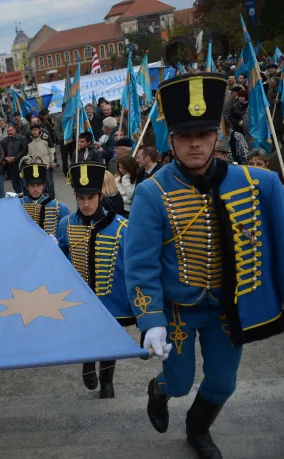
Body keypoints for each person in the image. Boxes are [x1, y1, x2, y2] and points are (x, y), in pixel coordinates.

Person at [125, 72, 284, 458]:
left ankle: (197, 430)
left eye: (204, 133)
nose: (194, 144)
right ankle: (159, 390)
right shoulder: (151, 192)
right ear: (171, 139)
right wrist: (150, 320)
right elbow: (140, 264)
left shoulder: (258, 184)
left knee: (223, 382)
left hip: (226, 309)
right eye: (184, 136)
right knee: (180, 384)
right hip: (178, 311)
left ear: (218, 135)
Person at [57, 162, 134, 399]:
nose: (86, 204)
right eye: (80, 198)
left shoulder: (122, 227)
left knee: (109, 336)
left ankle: (107, 379)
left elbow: (132, 265)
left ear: (101, 195)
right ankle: (87, 363)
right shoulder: (66, 224)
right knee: (85, 333)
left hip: (110, 298)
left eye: (90, 197)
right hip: (78, 297)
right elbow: (60, 256)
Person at [19, 158, 69, 236]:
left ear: (44, 186)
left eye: (38, 185)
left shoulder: (59, 207)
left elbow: (65, 232)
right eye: (32, 186)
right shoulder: (19, 204)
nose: (35, 189)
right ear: (27, 186)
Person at [27, 123, 57, 197]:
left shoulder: (45, 137)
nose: (34, 132)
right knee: (39, 183)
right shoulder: (29, 139)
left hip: (45, 164)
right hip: (35, 166)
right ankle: (42, 198)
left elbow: (51, 149)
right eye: (33, 130)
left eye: (36, 130)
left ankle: (51, 198)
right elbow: (28, 153)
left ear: (39, 130)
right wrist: (28, 163)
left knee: (49, 182)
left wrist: (53, 161)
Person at [1, 125, 28, 195]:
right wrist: (5, 158)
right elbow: (2, 153)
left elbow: (24, 150)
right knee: (15, 184)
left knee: (25, 184)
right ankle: (19, 198)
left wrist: (14, 158)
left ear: (14, 130)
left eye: (11, 130)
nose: (9, 132)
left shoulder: (22, 138)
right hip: (11, 167)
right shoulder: (3, 141)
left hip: (21, 165)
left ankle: (27, 199)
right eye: (8, 131)